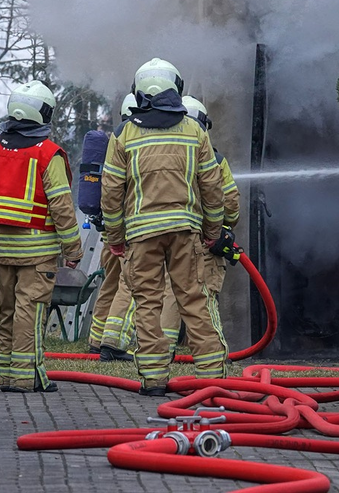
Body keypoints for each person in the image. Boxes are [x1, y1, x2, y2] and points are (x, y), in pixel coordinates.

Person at [101, 58, 227, 396]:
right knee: (194, 301)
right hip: (185, 232)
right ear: (176, 88)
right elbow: (212, 188)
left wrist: (115, 238)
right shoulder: (195, 131)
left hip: (141, 236)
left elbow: (111, 193)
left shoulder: (123, 134)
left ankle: (154, 379)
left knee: (147, 304)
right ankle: (212, 379)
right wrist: (212, 231)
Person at [0, 80, 83, 393]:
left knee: (7, 311)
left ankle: (6, 375)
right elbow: (62, 208)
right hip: (38, 255)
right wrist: (73, 250)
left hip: (4, 251)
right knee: (29, 314)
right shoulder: (47, 154)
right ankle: (25, 378)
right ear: (43, 113)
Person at [160, 95, 240, 353]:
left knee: (172, 291)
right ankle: (211, 351)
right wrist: (222, 226)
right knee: (205, 294)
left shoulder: (163, 155)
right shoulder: (214, 159)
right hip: (205, 239)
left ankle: (163, 349)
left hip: (171, 236)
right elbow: (231, 203)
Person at [86, 93, 137, 361]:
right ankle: (113, 342)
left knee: (110, 283)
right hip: (129, 231)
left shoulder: (115, 143)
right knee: (131, 282)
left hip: (109, 230)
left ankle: (96, 339)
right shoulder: (137, 144)